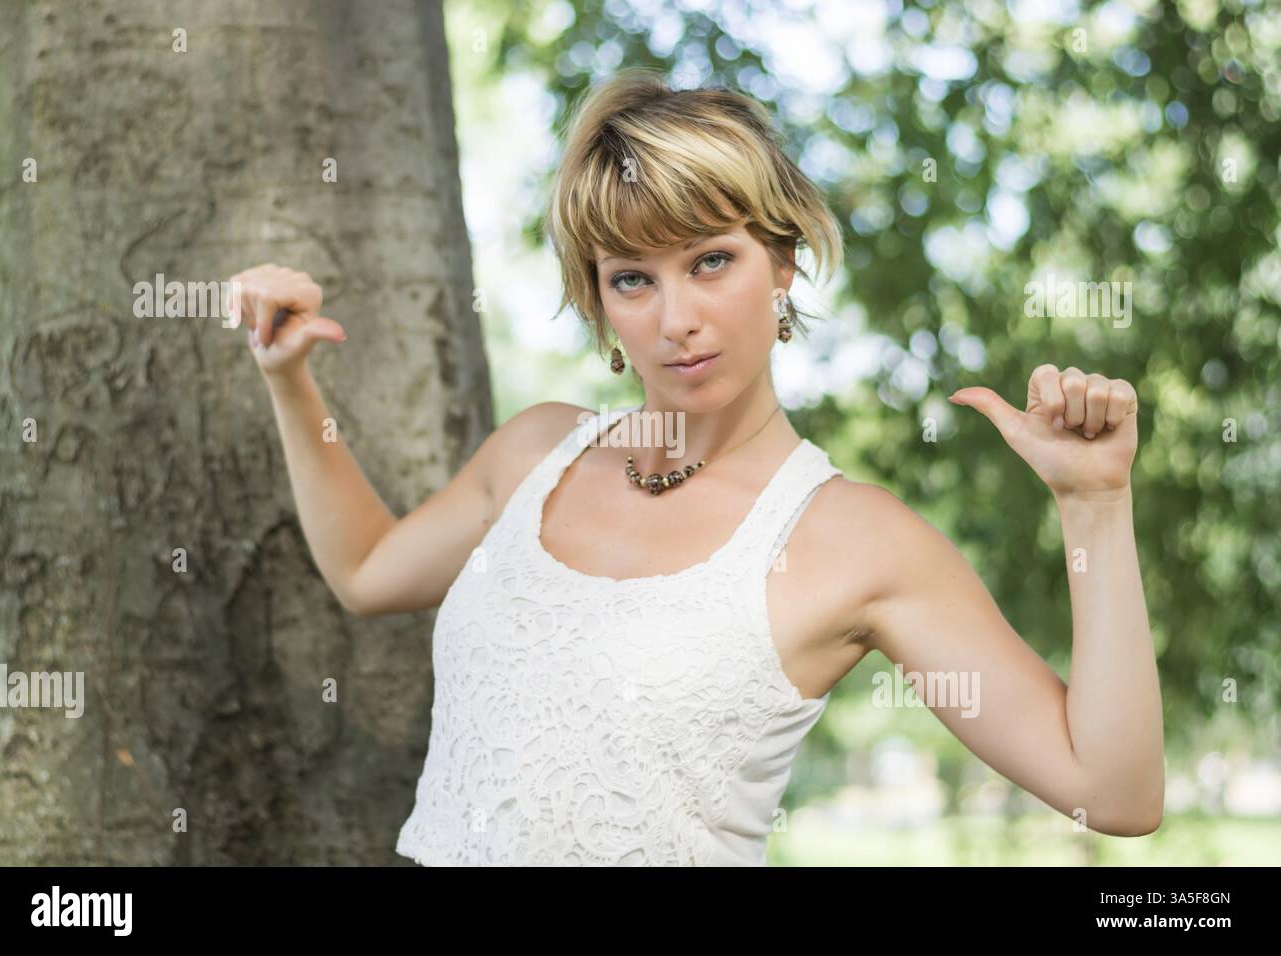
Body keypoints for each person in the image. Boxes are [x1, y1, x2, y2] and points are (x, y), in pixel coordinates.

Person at [229, 68, 1162, 866]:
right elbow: (363, 570)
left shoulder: (857, 541)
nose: (675, 318)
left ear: (784, 261)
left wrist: (1096, 505)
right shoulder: (534, 453)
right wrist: (291, 380)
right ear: (599, 302)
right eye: (632, 278)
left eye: (711, 261)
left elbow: (1113, 793)